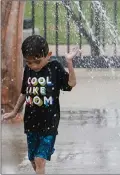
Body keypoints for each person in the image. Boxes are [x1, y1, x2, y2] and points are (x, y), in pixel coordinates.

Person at [2, 35, 81, 174]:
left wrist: (69, 62)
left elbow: (71, 84)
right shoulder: (29, 69)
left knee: (40, 160)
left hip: (49, 124)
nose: (33, 66)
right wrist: (15, 112)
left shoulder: (54, 67)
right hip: (31, 123)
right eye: (29, 62)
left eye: (37, 62)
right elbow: (24, 93)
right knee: (33, 160)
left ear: (48, 55)